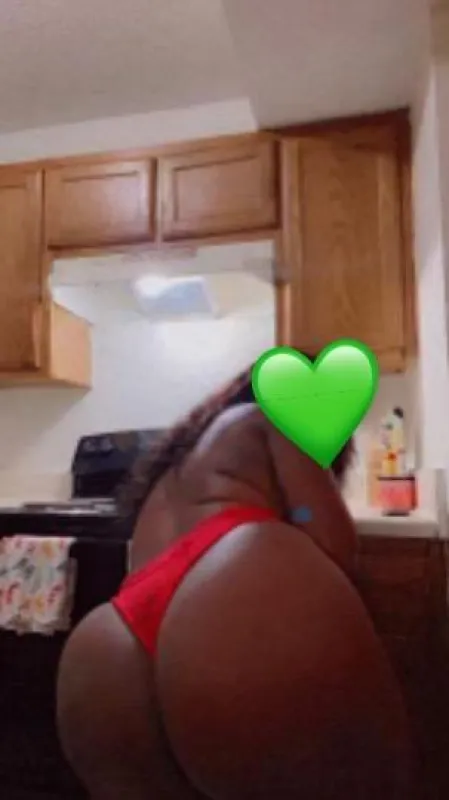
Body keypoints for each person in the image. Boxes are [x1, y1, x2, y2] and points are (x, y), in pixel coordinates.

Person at [57, 365, 410, 800]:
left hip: (115, 632)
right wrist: (303, 513)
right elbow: (332, 542)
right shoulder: (279, 415)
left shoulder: (178, 460)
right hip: (234, 582)